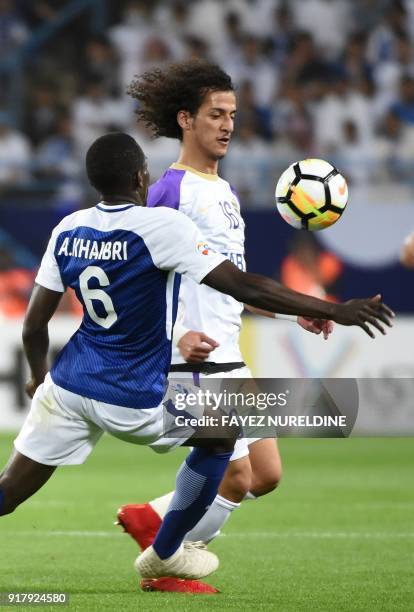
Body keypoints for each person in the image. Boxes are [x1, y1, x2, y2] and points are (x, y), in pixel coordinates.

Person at [0, 131, 393, 588]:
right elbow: (241, 284)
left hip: (67, 387)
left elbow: (33, 326)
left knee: (9, 490)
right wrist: (330, 308)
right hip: (133, 393)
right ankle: (165, 553)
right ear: (140, 177)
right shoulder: (163, 228)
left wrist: (37, 378)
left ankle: (159, 532)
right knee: (222, 435)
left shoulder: (67, 228)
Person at [116, 60, 391, 579]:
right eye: (215, 114)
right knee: (235, 474)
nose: (227, 125)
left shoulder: (223, 191)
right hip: (196, 360)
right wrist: (176, 335)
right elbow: (136, 283)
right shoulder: (170, 193)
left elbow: (230, 282)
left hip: (229, 350)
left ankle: (152, 517)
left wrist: (291, 315)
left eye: (232, 115)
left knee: (265, 473)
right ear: (185, 119)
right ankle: (164, 560)